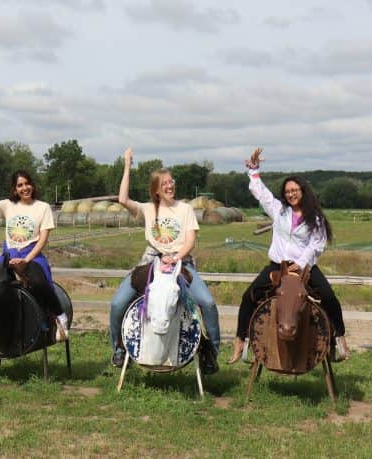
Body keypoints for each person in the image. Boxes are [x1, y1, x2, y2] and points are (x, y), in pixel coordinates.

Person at [228, 148, 348, 365]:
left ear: (303, 191)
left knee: (329, 297)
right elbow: (261, 193)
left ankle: (338, 338)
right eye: (288, 191)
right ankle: (241, 340)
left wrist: (300, 265)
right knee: (249, 296)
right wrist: (254, 171)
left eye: (295, 190)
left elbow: (316, 244)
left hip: (304, 268)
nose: (291, 194)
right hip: (277, 265)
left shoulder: (316, 218)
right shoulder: (279, 211)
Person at [109, 147, 221, 374]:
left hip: (182, 263)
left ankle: (211, 354)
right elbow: (122, 199)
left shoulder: (186, 209)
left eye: (171, 182)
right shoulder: (148, 209)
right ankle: (119, 350)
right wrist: (127, 166)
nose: (170, 186)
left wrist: (176, 257)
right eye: (165, 184)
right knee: (117, 303)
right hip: (151, 260)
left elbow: (190, 241)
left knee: (207, 303)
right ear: (156, 191)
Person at [0, 155, 69, 341]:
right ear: (15, 189)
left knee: (41, 283)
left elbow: (43, 239)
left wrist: (26, 260)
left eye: (27, 183)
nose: (24, 188)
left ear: (32, 185)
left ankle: (60, 317)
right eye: (20, 185)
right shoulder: (8, 205)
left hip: (32, 254)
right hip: (9, 255)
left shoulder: (43, 207)